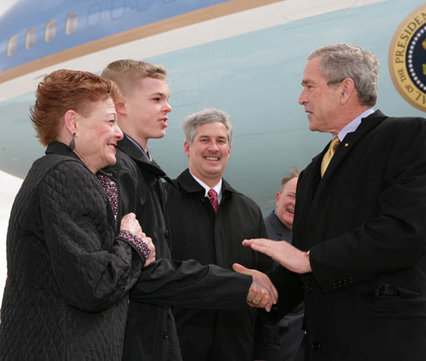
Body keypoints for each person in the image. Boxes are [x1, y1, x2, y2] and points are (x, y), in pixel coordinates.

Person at [242, 42, 426, 360]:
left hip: (389, 347)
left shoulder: (409, 137)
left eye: (309, 86)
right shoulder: (313, 170)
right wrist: (267, 286)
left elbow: (402, 233)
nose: (301, 98)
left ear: (345, 89)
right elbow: (306, 261)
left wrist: (310, 260)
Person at [100, 60, 277, 361]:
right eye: (157, 99)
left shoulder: (147, 175)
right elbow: (138, 275)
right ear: (122, 106)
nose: (168, 107)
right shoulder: (122, 173)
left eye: (167, 99)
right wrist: (239, 284)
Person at [0, 69, 156, 361]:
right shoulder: (67, 174)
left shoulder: (50, 171)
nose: (119, 133)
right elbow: (95, 286)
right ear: (72, 123)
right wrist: (133, 243)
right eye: (110, 121)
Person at [165, 108, 279, 361]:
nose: (213, 148)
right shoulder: (163, 201)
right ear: (187, 147)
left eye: (221, 140)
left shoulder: (249, 210)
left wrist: (267, 352)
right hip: (180, 349)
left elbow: (265, 285)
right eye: (204, 140)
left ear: (229, 148)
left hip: (239, 349)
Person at [264, 166, 305, 361]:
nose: (296, 204)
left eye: (303, 199)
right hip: (277, 346)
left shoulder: (312, 238)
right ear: (278, 197)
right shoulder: (260, 234)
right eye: (292, 196)